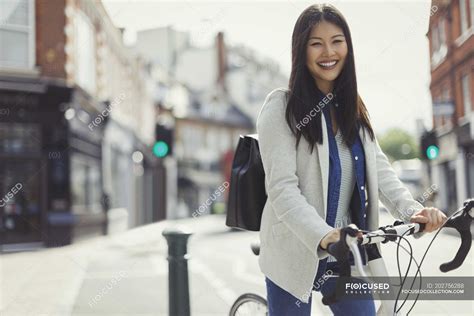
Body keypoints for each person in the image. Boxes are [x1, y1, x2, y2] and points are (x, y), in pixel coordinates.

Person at [256, 4, 447, 316]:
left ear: (348, 47)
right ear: (300, 51)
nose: (328, 52)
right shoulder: (282, 107)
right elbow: (282, 189)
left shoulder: (352, 110)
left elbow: (380, 171)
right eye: (315, 43)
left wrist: (415, 211)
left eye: (337, 41)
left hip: (347, 255)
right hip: (294, 249)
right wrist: (325, 234)